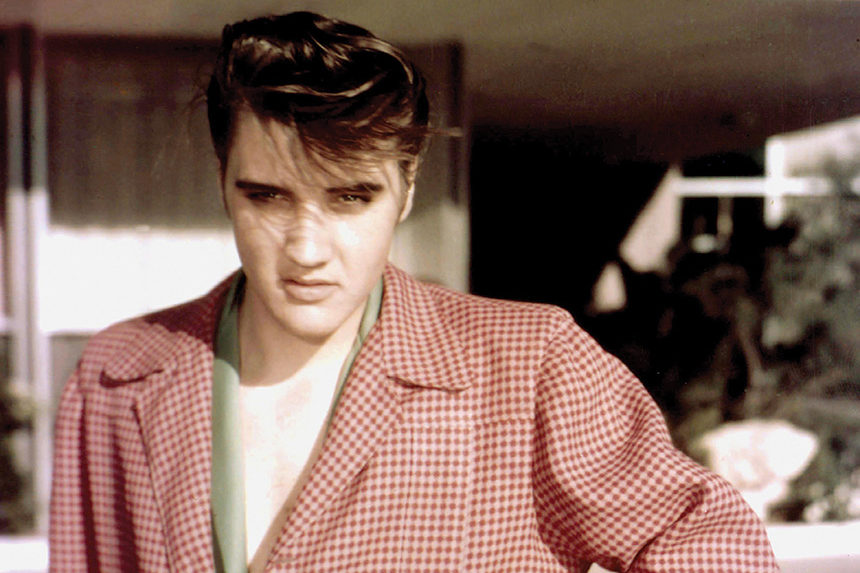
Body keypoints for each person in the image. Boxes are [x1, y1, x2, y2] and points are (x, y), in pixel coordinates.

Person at [49, 11, 779, 573]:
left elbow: (710, 542)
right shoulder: (121, 374)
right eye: (268, 197)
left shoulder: (527, 365)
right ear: (222, 186)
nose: (306, 249)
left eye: (350, 198)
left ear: (406, 192)